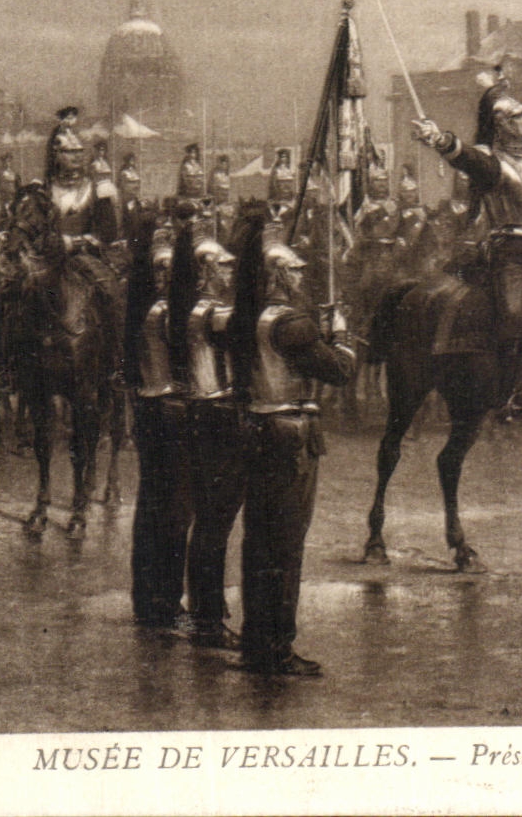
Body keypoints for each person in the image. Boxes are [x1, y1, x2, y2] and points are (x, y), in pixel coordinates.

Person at [411, 78, 522, 420]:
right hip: (511, 254)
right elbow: (467, 159)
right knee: (518, 311)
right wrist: (439, 139)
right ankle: (511, 389)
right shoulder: (494, 163)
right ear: (503, 124)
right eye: (520, 117)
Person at [232, 217, 355, 676]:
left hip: (258, 428)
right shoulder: (291, 323)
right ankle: (278, 647)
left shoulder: (251, 317)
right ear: (280, 276)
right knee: (285, 546)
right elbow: (340, 371)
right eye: (296, 271)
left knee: (257, 541)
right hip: (290, 435)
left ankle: (254, 640)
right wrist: (339, 332)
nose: (302, 276)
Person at [181, 222, 243, 650]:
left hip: (205, 414)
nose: (230, 271)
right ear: (205, 272)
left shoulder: (201, 308)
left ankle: (207, 605)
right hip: (214, 414)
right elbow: (245, 325)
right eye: (223, 266)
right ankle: (206, 614)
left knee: (210, 520)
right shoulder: (209, 312)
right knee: (215, 520)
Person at [128, 225, 188, 628]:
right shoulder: (164, 313)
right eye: (162, 272)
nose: (168, 278)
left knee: (154, 507)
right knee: (171, 510)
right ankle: (163, 600)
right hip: (167, 413)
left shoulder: (150, 310)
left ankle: (152, 597)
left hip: (150, 410)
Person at [40, 107, 120, 331]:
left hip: (83, 256)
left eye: (79, 151)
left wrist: (87, 240)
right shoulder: (42, 191)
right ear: (56, 154)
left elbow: (108, 230)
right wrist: (58, 241)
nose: (76, 156)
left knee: (110, 291)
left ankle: (115, 355)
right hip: (48, 259)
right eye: (69, 152)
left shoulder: (96, 189)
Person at [267, 148, 296, 220]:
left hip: (289, 198)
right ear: (279, 158)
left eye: (286, 157)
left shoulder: (289, 170)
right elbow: (273, 186)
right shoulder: (276, 171)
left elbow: (292, 185)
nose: (284, 159)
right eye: (283, 157)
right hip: (279, 199)